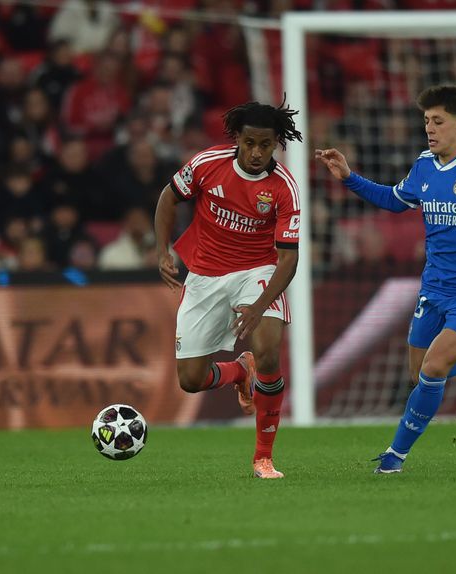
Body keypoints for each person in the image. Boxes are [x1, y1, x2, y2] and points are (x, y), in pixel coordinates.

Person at [316, 85, 456, 474]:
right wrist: (350, 177)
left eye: (437, 121)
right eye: (426, 122)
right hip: (435, 287)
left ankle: (394, 458)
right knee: (419, 372)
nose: (430, 129)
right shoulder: (424, 165)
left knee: (433, 369)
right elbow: (394, 199)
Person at [155, 101, 303, 479]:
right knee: (190, 380)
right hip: (204, 274)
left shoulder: (284, 188)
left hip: (257, 270)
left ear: (276, 144)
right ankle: (238, 372)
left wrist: (259, 306)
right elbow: (168, 198)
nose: (256, 153)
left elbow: (288, 260)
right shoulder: (208, 163)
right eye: (250, 143)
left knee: (268, 352)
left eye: (265, 145)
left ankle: (263, 458)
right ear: (237, 138)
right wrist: (162, 250)